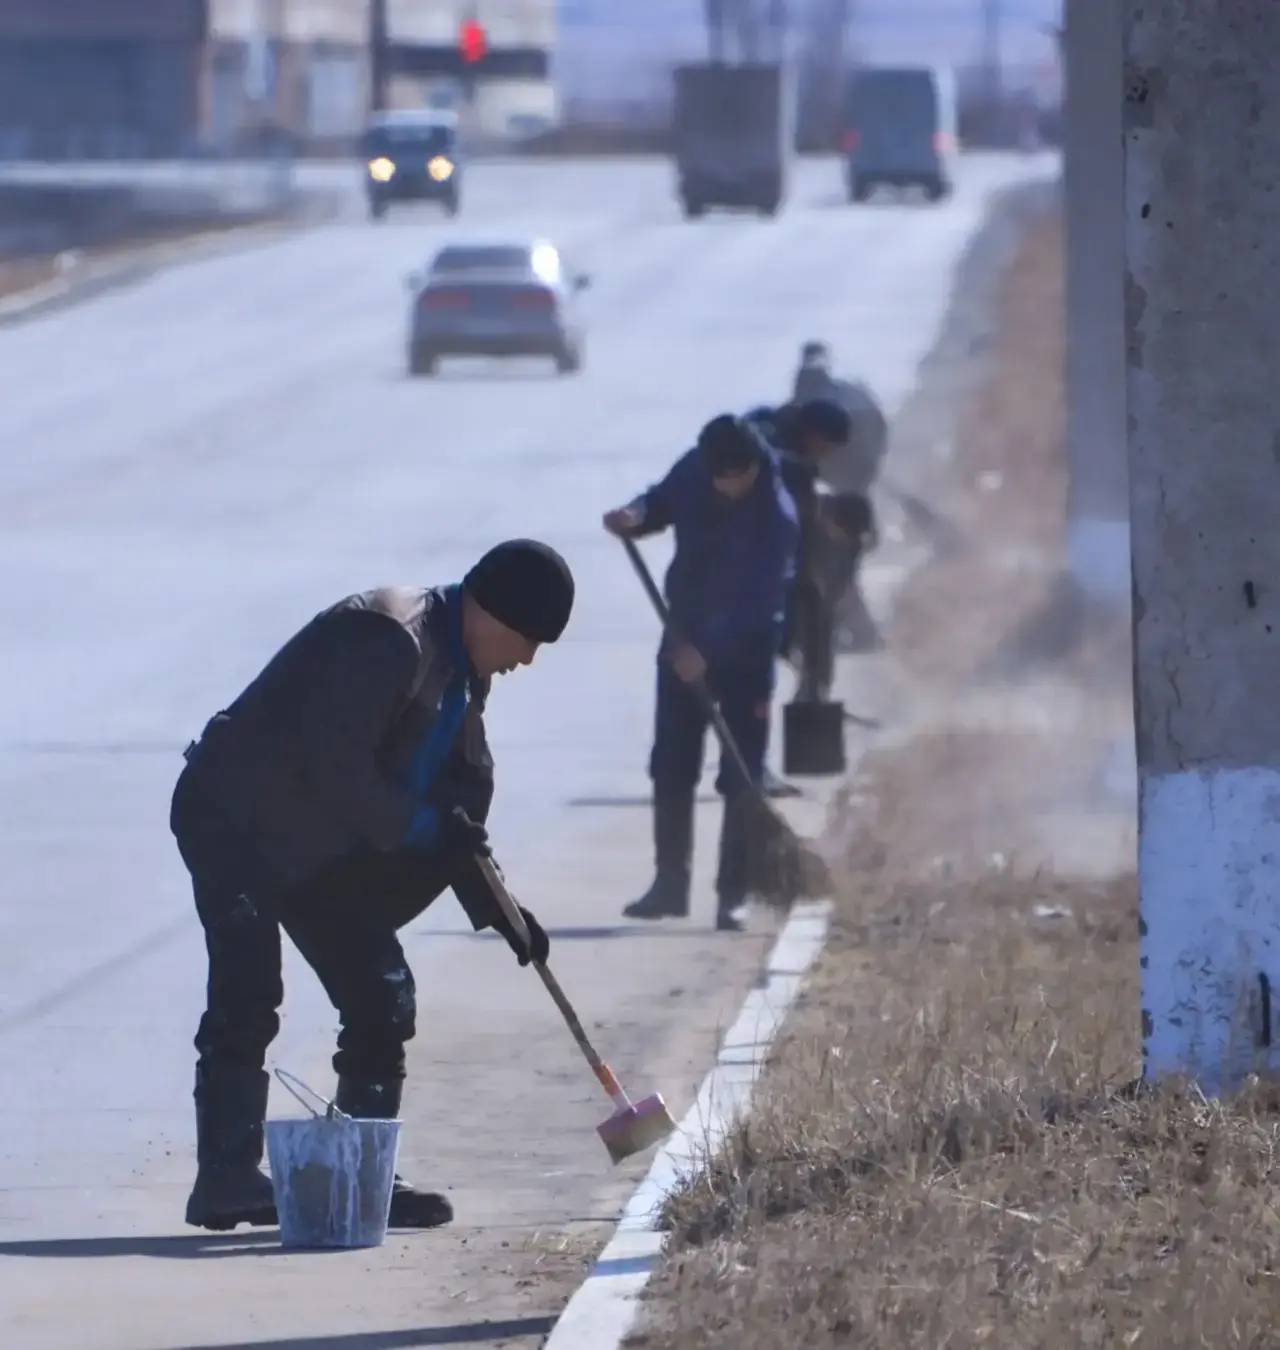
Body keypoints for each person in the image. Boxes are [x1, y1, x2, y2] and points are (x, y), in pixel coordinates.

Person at [171, 539, 575, 1234]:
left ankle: (363, 1174)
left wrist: (502, 910)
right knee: (248, 990)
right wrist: (424, 833)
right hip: (235, 817)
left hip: (318, 839)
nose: (528, 660)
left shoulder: (459, 679)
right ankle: (226, 1178)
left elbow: (458, 814)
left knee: (382, 994)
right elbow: (336, 769)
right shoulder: (391, 638)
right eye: (528, 639)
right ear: (491, 610)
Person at [602, 415, 799, 933]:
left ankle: (732, 893)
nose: (729, 486)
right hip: (682, 635)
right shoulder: (695, 469)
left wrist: (708, 650)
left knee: (741, 772)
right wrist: (634, 515)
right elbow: (660, 503)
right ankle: (669, 883)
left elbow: (760, 602)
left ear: (755, 467)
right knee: (670, 763)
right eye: (721, 477)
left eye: (738, 477)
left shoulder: (777, 515)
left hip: (746, 653)